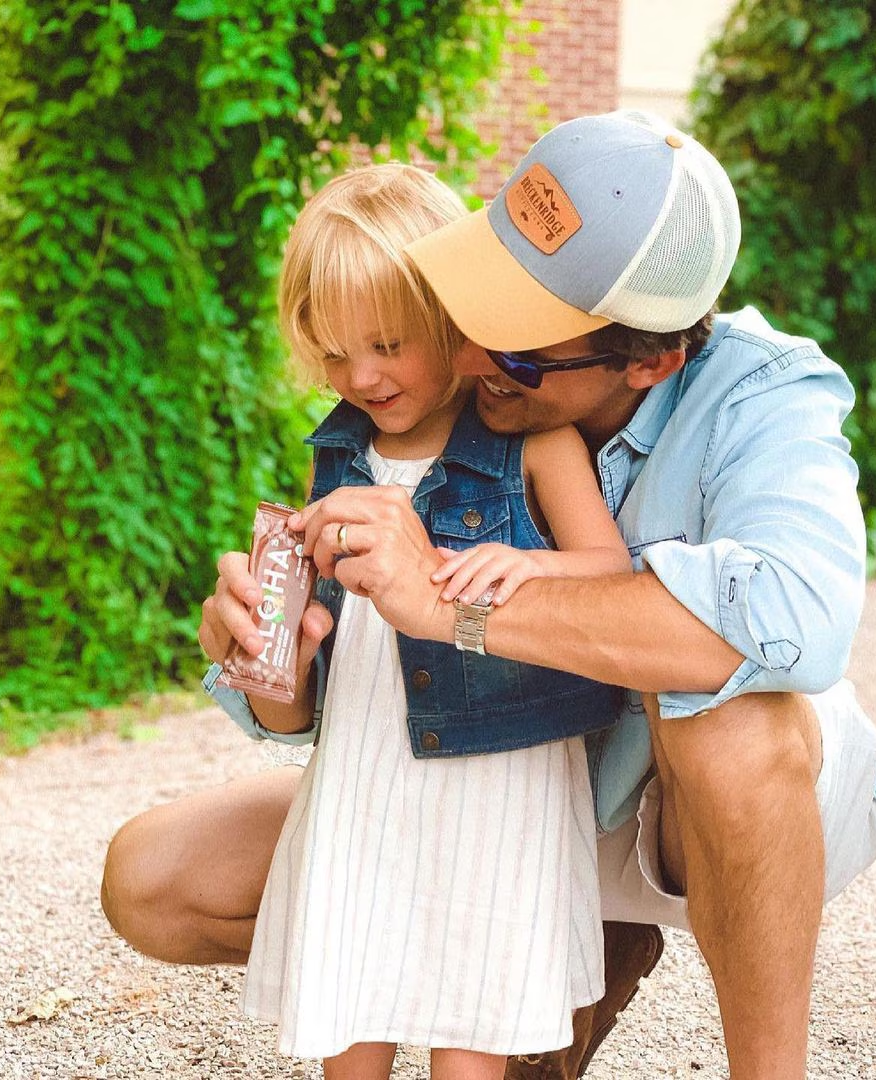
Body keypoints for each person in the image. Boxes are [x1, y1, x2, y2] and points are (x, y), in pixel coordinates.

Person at [103, 111, 876, 1080]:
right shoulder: (405, 419)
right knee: (152, 881)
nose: (471, 361)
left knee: (727, 720)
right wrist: (269, 646)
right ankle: (585, 947)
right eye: (477, 306)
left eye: (517, 352)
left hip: (702, 811)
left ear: (648, 362)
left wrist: (451, 606)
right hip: (499, 798)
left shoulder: (763, 395)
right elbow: (335, 700)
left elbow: (796, 621)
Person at [198, 161, 637, 1080]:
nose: (360, 375)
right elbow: (305, 678)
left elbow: (608, 571)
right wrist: (277, 651)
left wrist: (528, 562)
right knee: (350, 989)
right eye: (333, 351)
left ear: (451, 322)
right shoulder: (338, 454)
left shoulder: (535, 440)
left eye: (389, 344)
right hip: (365, 760)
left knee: (468, 1005)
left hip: (497, 778)